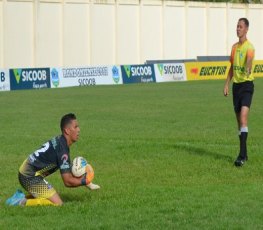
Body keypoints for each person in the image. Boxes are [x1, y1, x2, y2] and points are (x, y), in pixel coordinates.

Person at [6, 113, 100, 206]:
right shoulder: (62, 151)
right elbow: (67, 181)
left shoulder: (60, 141)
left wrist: (89, 184)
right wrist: (84, 181)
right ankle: (20, 202)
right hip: (29, 176)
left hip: (27, 171)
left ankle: (19, 197)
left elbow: (68, 168)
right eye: (75, 127)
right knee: (58, 203)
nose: (78, 130)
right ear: (67, 130)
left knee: (54, 195)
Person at [223, 18, 255, 167]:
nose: (238, 29)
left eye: (240, 27)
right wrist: (226, 84)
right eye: (237, 26)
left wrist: (248, 66)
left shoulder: (250, 47)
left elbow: (249, 59)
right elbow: (231, 67)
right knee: (239, 123)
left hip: (247, 86)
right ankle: (245, 153)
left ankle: (241, 156)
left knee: (243, 118)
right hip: (236, 87)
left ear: (246, 29)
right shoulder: (234, 47)